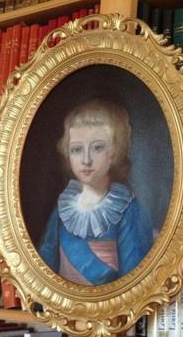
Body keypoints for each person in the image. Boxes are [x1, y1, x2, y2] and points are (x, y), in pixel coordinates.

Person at [39, 99, 153, 285]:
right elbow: (45, 264)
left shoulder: (128, 208)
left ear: (114, 152)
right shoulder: (63, 207)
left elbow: (134, 279)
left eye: (97, 148)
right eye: (76, 149)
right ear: (67, 154)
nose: (86, 160)